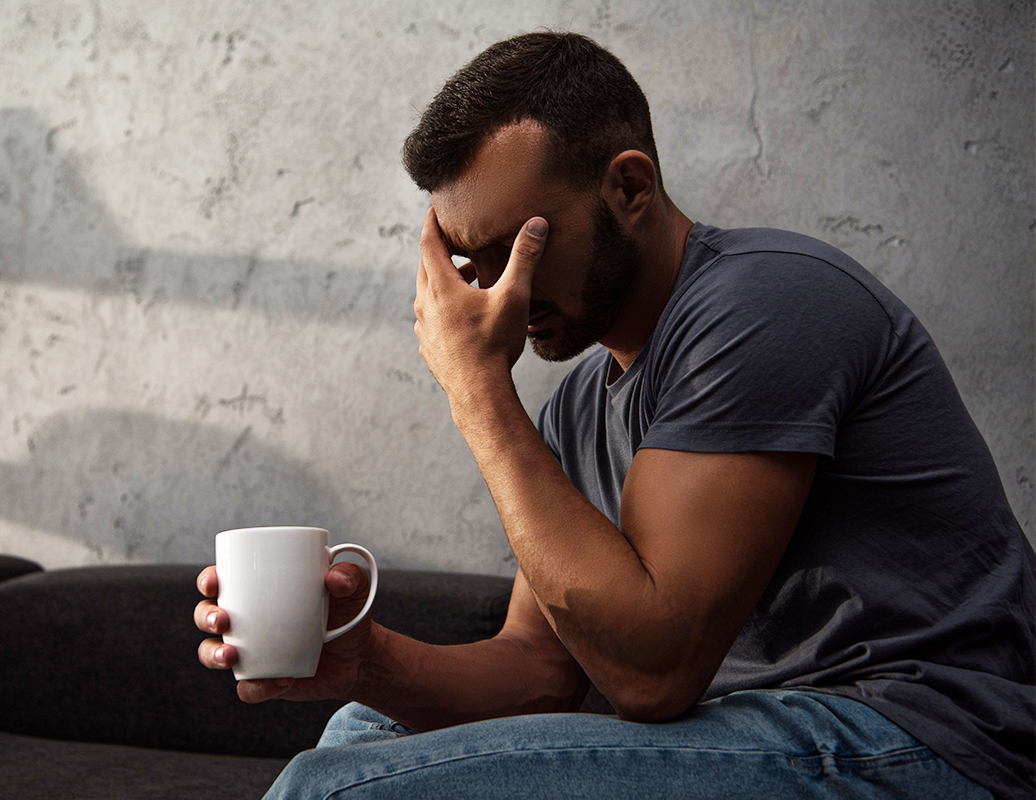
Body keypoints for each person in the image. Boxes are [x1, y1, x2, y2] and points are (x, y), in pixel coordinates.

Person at [195, 31, 1034, 799]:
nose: (499, 299)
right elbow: (537, 671)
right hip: (768, 733)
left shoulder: (769, 301)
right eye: (472, 266)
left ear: (629, 185)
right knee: (358, 733)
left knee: (340, 792)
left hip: (926, 736)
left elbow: (653, 675)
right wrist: (362, 657)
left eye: (519, 249)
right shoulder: (575, 412)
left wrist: (477, 393)